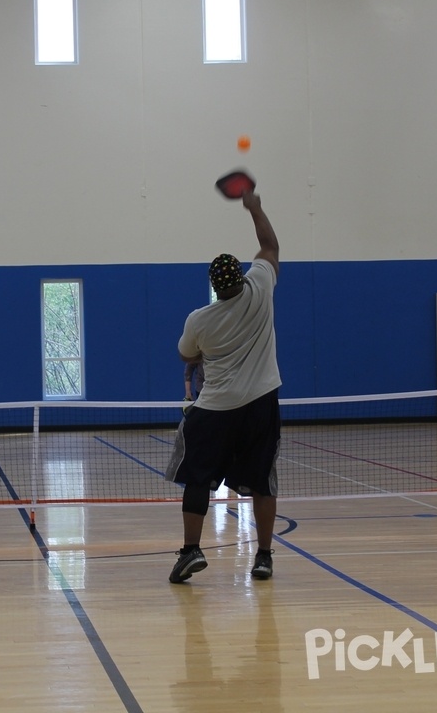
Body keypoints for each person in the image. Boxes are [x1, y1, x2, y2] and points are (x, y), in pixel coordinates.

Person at [165, 187, 282, 584]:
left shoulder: (200, 320)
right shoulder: (261, 288)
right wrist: (255, 208)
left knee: (197, 477)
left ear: (215, 287)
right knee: (262, 480)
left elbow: (186, 354)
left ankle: (191, 551)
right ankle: (263, 557)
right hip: (261, 403)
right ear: (241, 277)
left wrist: (205, 354)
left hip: (215, 408)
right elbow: (269, 244)